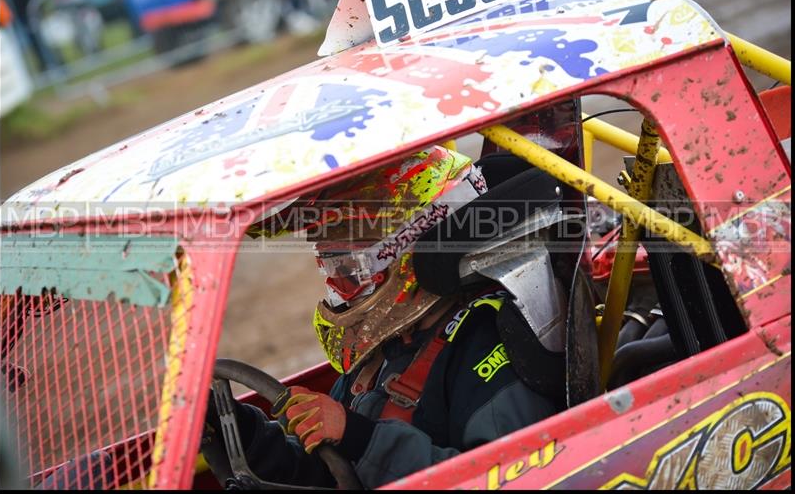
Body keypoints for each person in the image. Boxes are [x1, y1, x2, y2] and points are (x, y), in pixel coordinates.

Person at [200, 146, 561, 489]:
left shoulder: (486, 346)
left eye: (349, 271)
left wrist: (359, 438)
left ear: (404, 254)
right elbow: (328, 474)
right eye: (330, 273)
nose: (339, 290)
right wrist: (239, 431)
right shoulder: (380, 356)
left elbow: (516, 477)